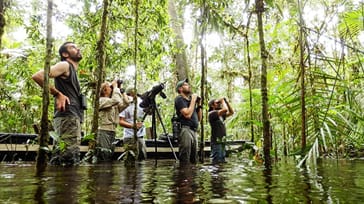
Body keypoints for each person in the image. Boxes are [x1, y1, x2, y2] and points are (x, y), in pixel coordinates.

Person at [32, 42, 83, 166]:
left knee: (64, 155)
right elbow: (38, 76)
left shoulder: (72, 70)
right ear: (65, 54)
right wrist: (57, 94)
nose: (78, 48)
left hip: (71, 116)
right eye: (73, 47)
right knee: (68, 157)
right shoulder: (65, 65)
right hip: (67, 116)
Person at [95, 80, 130, 162]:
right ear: (104, 90)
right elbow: (116, 100)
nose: (111, 89)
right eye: (109, 87)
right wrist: (115, 87)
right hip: (104, 131)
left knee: (110, 155)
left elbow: (126, 103)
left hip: (112, 131)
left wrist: (121, 91)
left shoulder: (112, 103)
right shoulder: (102, 101)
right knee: (104, 155)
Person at [174, 78, 202, 164]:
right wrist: (193, 100)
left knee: (194, 158)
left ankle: (192, 176)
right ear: (180, 89)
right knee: (185, 156)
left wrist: (199, 105)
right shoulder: (179, 99)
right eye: (186, 85)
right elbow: (187, 115)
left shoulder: (190, 102)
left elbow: (199, 119)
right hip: (185, 130)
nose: (189, 86)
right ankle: (183, 175)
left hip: (194, 131)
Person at [119, 87, 147, 160]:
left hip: (140, 136)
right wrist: (133, 126)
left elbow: (148, 113)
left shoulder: (142, 102)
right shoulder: (125, 104)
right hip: (129, 136)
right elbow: (120, 121)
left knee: (142, 160)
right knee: (129, 160)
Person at [208, 97, 234, 164]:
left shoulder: (221, 116)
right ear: (212, 105)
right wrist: (222, 101)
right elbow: (225, 110)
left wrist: (226, 102)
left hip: (222, 141)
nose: (219, 104)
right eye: (216, 103)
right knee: (216, 162)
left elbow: (231, 112)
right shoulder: (212, 113)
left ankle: (220, 174)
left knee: (222, 161)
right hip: (216, 142)